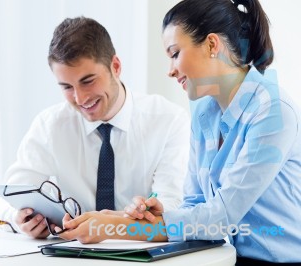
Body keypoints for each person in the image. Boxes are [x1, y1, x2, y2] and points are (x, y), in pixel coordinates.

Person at [57, 0, 301, 264]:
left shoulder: (272, 110)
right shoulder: (205, 110)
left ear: (211, 45)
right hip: (231, 258)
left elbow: (221, 218)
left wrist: (114, 227)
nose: (170, 70)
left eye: (175, 53)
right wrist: (137, 217)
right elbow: (197, 203)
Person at [0, 16, 190, 239]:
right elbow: (7, 197)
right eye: (67, 87)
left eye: (88, 81)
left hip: (142, 252)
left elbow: (174, 205)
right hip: (70, 254)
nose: (80, 98)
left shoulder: (169, 120)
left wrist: (146, 211)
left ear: (115, 67)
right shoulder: (50, 125)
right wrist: (20, 218)